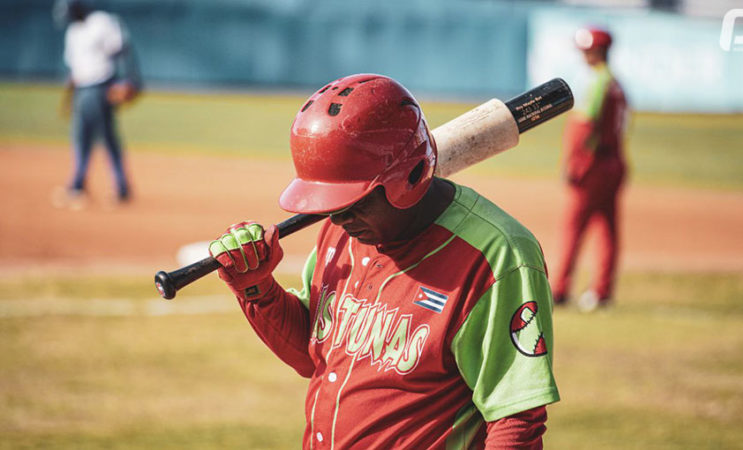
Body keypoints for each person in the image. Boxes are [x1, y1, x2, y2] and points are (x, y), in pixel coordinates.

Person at [207, 74, 559, 448]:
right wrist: (256, 288)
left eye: (352, 203)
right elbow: (312, 356)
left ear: (408, 177)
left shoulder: (496, 254)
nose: (337, 219)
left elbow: (516, 419)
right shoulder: (346, 229)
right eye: (330, 205)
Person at [550, 27, 629, 312]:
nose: (583, 55)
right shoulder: (616, 84)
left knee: (573, 226)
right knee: (608, 229)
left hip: (594, 165)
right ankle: (602, 291)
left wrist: (574, 163)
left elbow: (584, 127)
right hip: (615, 162)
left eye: (586, 50)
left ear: (596, 51)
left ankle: (559, 289)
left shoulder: (597, 82)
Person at [52, 0, 141, 209]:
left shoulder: (100, 22)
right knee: (90, 137)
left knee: (96, 137)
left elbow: (121, 49)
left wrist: (128, 80)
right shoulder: (73, 32)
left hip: (101, 87)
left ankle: (84, 187)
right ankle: (113, 188)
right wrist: (69, 97)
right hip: (83, 90)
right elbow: (76, 71)